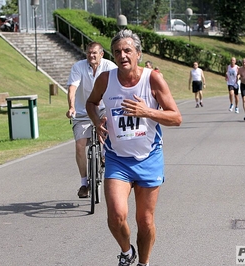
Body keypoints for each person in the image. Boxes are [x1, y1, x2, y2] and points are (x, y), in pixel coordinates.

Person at [86, 29, 182, 266]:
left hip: (149, 158)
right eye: (117, 51)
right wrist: (97, 121)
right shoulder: (105, 80)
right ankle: (127, 252)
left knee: (145, 221)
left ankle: (143, 263)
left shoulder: (153, 79)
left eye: (128, 50)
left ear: (138, 53)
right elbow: (91, 102)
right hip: (118, 159)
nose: (123, 55)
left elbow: (176, 117)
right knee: (116, 216)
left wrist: (146, 111)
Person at [66, 42, 117, 198]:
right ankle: (84, 183)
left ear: (101, 54)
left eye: (94, 53)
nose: (91, 56)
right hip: (83, 110)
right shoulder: (78, 67)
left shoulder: (110, 66)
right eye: (88, 53)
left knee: (106, 128)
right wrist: (72, 106)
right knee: (80, 145)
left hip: (103, 108)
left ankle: (103, 155)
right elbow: (72, 88)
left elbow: (117, 87)